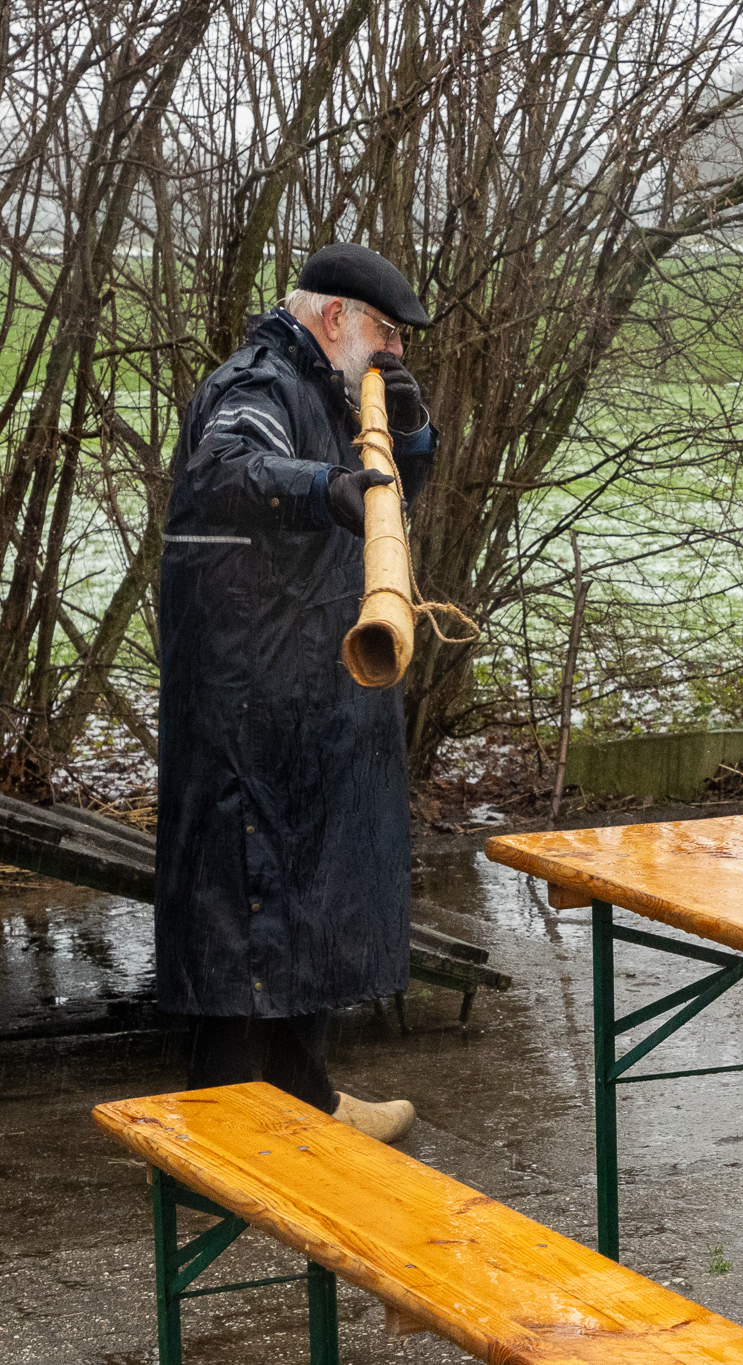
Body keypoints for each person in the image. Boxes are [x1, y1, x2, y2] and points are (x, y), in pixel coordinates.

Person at [155, 243, 438, 1141]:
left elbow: (384, 499)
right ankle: (223, 1137)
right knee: (246, 921)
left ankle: (308, 1098)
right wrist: (326, 487)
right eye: (387, 332)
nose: (395, 351)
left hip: (309, 692)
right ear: (334, 318)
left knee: (310, 902)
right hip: (245, 704)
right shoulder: (259, 384)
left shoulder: (333, 386)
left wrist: (411, 433)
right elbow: (226, 469)